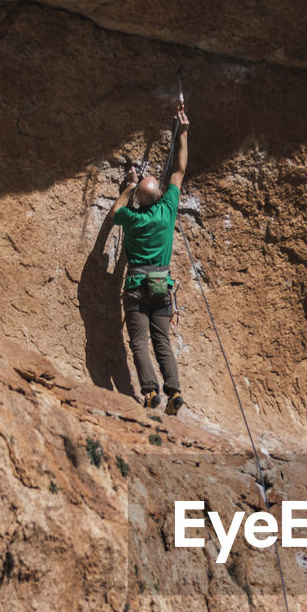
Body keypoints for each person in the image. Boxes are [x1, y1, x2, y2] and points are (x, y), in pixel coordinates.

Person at [111, 103, 189, 415]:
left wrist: (128, 186)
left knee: (140, 343)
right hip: (161, 286)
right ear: (158, 195)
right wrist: (183, 133)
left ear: (139, 199)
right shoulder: (168, 209)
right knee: (162, 342)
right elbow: (180, 169)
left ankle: (149, 392)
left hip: (134, 286)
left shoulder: (132, 217)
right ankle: (174, 391)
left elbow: (115, 213)